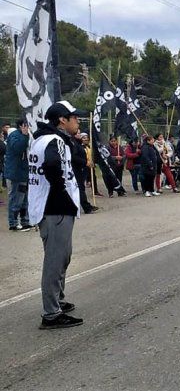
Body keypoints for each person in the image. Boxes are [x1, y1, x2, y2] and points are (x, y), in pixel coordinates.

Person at [27, 101, 86, 329]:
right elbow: (53, 165)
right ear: (62, 119)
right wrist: (61, 192)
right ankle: (51, 314)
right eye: (74, 117)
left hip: (49, 207)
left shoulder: (41, 138)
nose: (77, 121)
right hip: (55, 208)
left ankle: (58, 300)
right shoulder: (56, 141)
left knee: (63, 256)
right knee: (55, 260)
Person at [5, 117, 32, 231]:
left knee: (25, 198)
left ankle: (25, 220)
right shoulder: (14, 135)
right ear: (22, 125)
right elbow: (17, 149)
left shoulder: (27, 135)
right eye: (26, 125)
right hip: (16, 173)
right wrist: (25, 136)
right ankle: (13, 222)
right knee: (16, 198)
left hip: (25, 172)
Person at [71, 131, 98, 214]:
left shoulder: (79, 145)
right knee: (80, 189)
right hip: (76, 169)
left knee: (81, 188)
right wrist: (85, 162)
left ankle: (86, 206)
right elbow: (74, 157)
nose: (79, 135)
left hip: (82, 168)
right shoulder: (74, 144)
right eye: (78, 133)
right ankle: (86, 207)